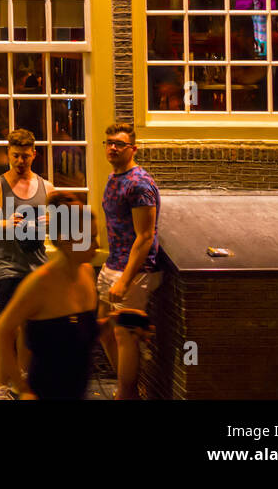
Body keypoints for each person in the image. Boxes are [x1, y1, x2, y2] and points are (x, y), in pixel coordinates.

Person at [0, 193, 107, 400]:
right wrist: (21, 387)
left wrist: (116, 322)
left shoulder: (87, 273)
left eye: (95, 236)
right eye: (89, 238)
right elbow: (0, 333)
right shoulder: (40, 283)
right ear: (65, 239)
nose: (96, 245)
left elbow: (81, 331)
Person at [0, 127, 51, 398]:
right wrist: (7, 223)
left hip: (38, 265)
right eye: (15, 156)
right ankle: (1, 385)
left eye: (25, 157)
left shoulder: (47, 187)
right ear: (8, 153)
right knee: (9, 326)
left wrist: (49, 222)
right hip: (8, 266)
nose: (20, 161)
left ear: (34, 155)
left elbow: (64, 228)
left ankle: (23, 382)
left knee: (31, 327)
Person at [98, 121, 161, 400]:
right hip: (113, 262)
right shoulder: (115, 177)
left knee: (125, 334)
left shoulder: (138, 184)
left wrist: (125, 279)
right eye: (109, 142)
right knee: (103, 326)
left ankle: (126, 395)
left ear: (132, 149)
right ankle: (129, 390)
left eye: (119, 144)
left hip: (135, 271)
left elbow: (145, 236)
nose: (112, 147)